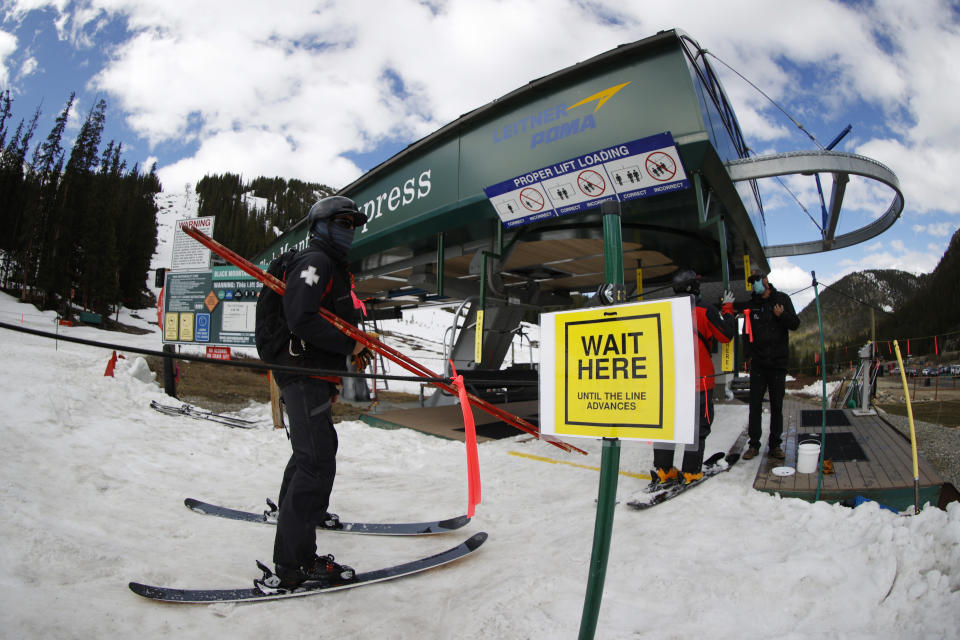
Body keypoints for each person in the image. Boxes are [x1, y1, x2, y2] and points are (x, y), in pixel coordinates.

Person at [270, 195, 370, 589]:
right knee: (316, 462)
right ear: (322, 225)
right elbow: (300, 317)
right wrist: (352, 345)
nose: (349, 231)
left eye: (353, 224)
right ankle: (296, 563)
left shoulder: (331, 265)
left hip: (311, 376)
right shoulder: (316, 261)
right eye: (342, 223)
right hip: (302, 372)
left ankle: (296, 519)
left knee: (312, 453)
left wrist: (331, 378)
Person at [650, 270, 737, 488]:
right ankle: (690, 472)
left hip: (669, 381)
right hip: (699, 381)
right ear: (693, 287)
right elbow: (725, 335)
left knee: (667, 426)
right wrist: (727, 310)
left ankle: (664, 469)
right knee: (698, 427)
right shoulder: (704, 310)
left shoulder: (664, 310)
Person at [740, 270, 800, 461]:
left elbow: (795, 323)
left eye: (757, 280)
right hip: (758, 364)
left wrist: (781, 315)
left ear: (765, 280)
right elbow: (746, 332)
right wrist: (747, 355)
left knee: (777, 406)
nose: (755, 284)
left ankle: (775, 445)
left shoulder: (781, 299)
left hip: (777, 364)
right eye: (752, 282)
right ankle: (754, 445)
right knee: (755, 405)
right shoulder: (751, 306)